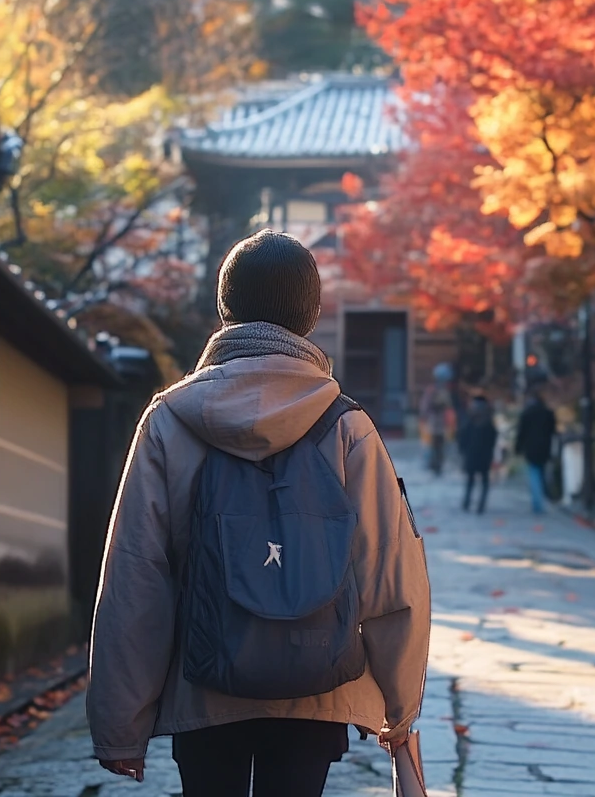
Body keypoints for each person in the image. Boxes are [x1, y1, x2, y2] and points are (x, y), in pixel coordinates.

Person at [87, 230, 430, 797]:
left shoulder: (170, 421)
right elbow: (390, 572)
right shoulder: (347, 426)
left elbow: (135, 574)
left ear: (225, 309)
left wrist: (120, 725)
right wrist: (399, 708)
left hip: (205, 684)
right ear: (313, 315)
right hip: (315, 684)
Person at [514, 389, 557, 515]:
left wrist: (518, 448)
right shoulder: (548, 413)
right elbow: (553, 431)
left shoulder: (527, 413)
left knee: (534, 473)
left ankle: (537, 502)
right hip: (545, 447)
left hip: (531, 448)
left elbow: (521, 433)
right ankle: (541, 500)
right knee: (541, 472)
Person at [458, 394, 498, 514]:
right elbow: (493, 437)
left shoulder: (470, 416)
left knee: (470, 480)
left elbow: (463, 435)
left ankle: (466, 503)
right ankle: (481, 505)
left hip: (471, 453)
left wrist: (463, 450)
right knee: (484, 481)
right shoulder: (488, 418)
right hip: (485, 454)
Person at [419, 364, 455, 476]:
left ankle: (438, 465)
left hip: (442, 424)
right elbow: (425, 407)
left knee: (440, 446)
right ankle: (433, 466)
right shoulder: (432, 390)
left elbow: (448, 406)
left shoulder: (444, 391)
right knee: (433, 446)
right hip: (433, 423)